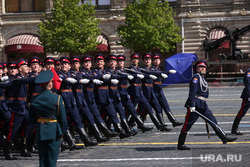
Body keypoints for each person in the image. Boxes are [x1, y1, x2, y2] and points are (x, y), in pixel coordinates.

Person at [177, 60, 237, 150]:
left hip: (203, 104)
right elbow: (192, 93)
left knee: (213, 120)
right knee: (187, 124)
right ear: (197, 68)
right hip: (196, 105)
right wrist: (192, 104)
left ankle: (224, 137)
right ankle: (180, 144)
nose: (203, 68)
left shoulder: (202, 78)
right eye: (200, 67)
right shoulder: (196, 78)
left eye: (204, 67)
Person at [29, 70, 67, 167]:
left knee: (42, 158)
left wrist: (36, 127)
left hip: (40, 130)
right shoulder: (57, 98)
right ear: (50, 84)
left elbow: (31, 118)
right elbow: (62, 118)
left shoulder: (34, 99)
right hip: (53, 130)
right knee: (52, 159)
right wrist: (62, 132)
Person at [151, 53, 183, 127]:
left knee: (165, 106)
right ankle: (162, 124)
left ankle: (173, 121)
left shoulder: (158, 69)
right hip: (154, 90)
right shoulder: (152, 69)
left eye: (158, 60)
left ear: (160, 61)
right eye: (155, 60)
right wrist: (168, 72)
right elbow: (157, 73)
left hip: (160, 90)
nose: (156, 61)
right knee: (158, 108)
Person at [231, 67, 250, 135]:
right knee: (242, 112)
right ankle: (234, 129)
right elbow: (248, 84)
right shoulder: (249, 72)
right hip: (248, 96)